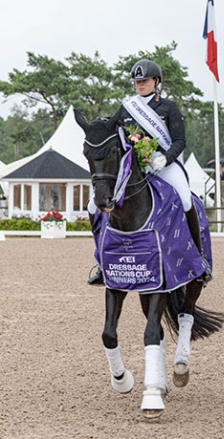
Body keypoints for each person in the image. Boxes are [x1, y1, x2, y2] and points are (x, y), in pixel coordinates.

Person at [88, 59, 208, 285]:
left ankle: (199, 257)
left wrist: (166, 158)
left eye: (144, 81)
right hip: (131, 167)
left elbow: (180, 140)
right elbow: (112, 134)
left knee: (184, 200)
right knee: (92, 206)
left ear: (156, 81)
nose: (140, 85)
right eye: (137, 81)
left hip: (162, 163)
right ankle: (103, 263)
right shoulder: (126, 108)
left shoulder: (168, 108)